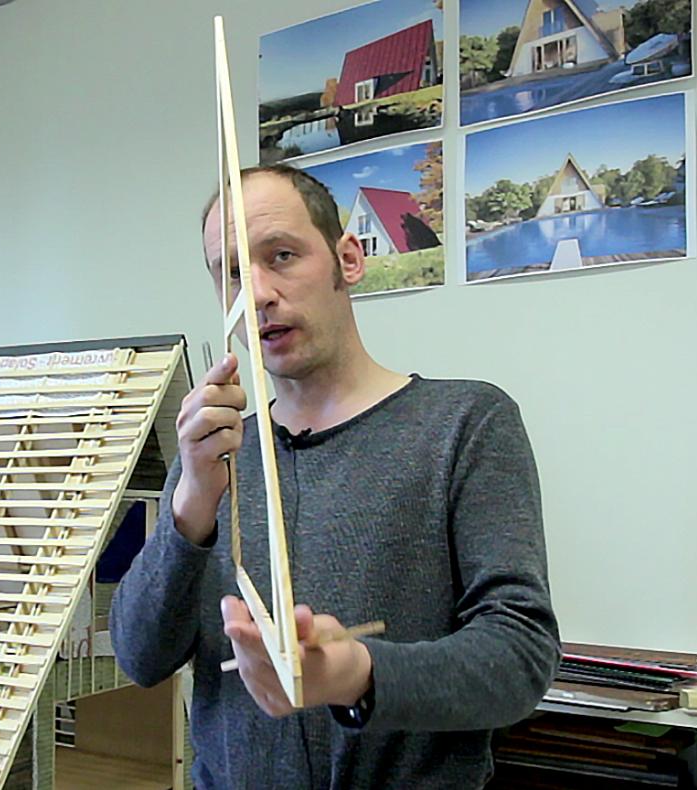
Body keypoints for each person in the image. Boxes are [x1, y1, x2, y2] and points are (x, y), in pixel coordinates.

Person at [110, 164, 559, 788]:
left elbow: (520, 658)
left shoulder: (466, 424)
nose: (258, 293)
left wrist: (356, 674)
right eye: (233, 274)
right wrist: (190, 503)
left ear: (348, 259)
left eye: (282, 255)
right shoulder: (214, 456)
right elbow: (140, 657)